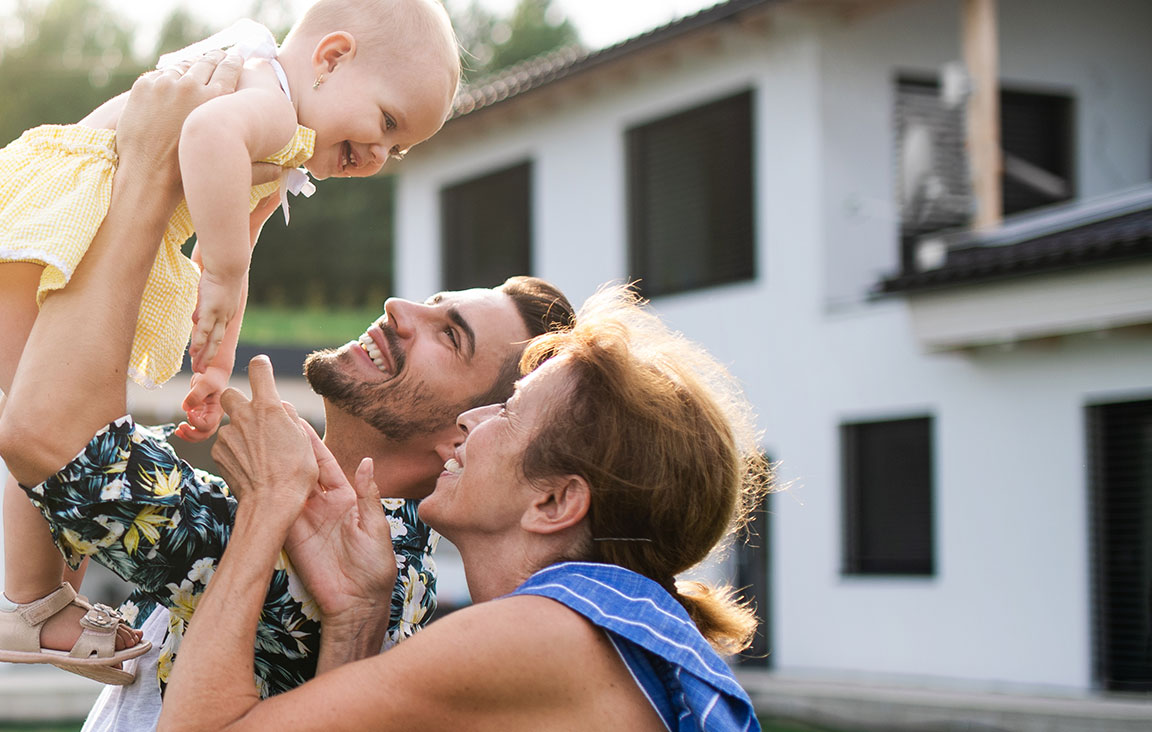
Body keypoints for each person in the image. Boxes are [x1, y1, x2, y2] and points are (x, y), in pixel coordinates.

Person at [0, 51, 577, 730]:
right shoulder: (331, 520)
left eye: (450, 335)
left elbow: (47, 435)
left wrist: (145, 169)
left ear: (464, 431)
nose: (398, 308)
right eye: (431, 300)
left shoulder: (334, 551)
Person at [0, 0, 468, 685]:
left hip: (81, 234)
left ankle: (37, 603)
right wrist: (222, 267)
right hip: (49, 223)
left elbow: (235, 266)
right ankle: (31, 604)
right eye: (386, 122)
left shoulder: (285, 138)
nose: (379, 155)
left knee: (50, 413)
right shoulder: (271, 98)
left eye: (398, 149)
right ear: (331, 59)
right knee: (42, 415)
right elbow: (209, 137)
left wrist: (213, 361)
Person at [158, 287, 766, 731]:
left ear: (553, 501)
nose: (472, 421)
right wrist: (357, 618)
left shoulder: (541, 636)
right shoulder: (588, 634)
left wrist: (266, 505)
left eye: (508, 412)